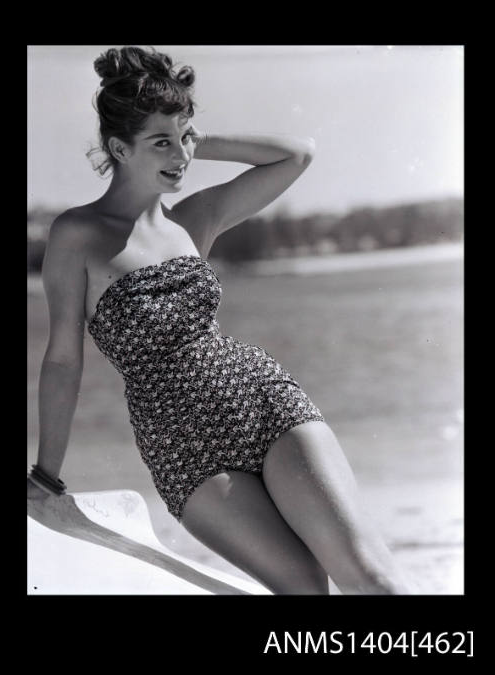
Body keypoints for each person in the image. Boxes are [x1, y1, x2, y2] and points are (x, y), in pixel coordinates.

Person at [28, 45, 417, 595]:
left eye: (183, 138)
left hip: (265, 402)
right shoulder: (77, 235)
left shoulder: (193, 218)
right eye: (159, 142)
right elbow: (63, 359)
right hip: (185, 448)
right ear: (119, 147)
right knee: (306, 588)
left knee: (373, 578)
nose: (179, 156)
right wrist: (46, 476)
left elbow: (296, 155)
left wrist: (189, 137)